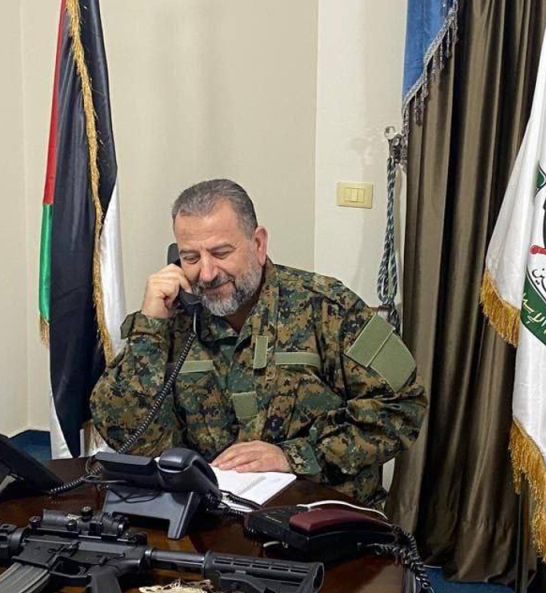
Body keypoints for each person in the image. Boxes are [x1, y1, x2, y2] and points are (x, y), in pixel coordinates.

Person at [90, 179, 426, 505]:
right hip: (211, 523)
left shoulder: (326, 307)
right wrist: (150, 328)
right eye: (191, 257)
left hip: (321, 518)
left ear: (258, 244)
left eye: (221, 252)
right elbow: (126, 434)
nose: (207, 273)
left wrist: (294, 456)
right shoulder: (171, 321)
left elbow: (402, 405)